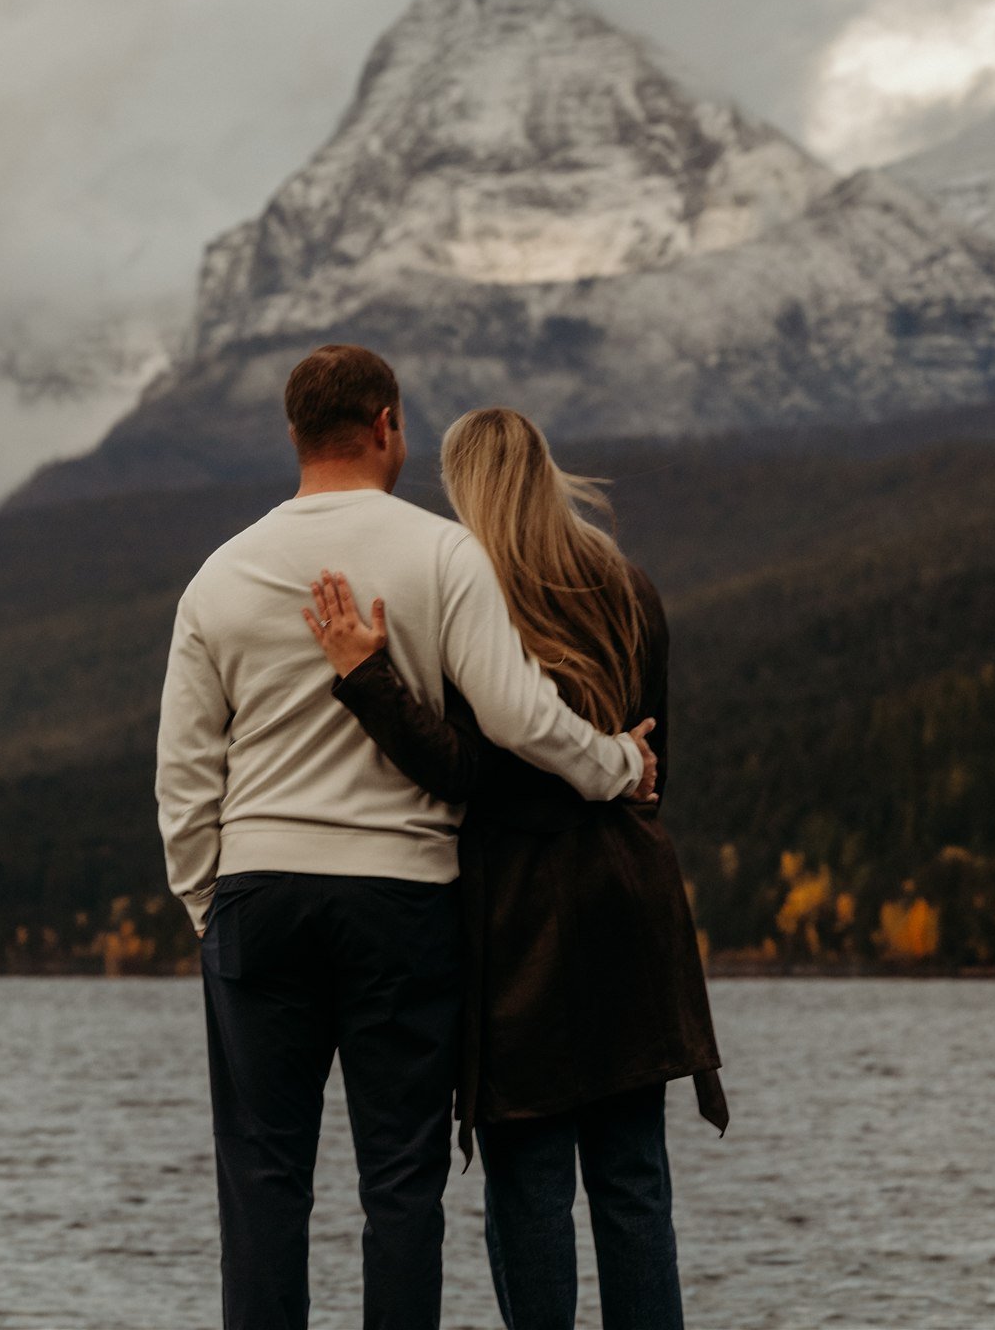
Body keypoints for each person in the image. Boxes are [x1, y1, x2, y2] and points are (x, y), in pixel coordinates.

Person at [154, 346, 659, 1330]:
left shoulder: (218, 574)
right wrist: (619, 764)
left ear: (293, 434)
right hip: (402, 904)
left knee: (262, 1188)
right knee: (400, 1189)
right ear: (386, 423)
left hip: (259, 897)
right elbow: (519, 716)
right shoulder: (441, 552)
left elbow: (184, 773)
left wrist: (207, 903)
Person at [303, 405, 728, 1330]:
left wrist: (366, 679)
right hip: (630, 902)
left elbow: (463, 769)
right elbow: (651, 770)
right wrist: (611, 775)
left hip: (517, 921)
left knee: (530, 1187)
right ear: (543, 471)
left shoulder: (468, 593)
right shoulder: (629, 587)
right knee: (633, 1185)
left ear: (466, 488)